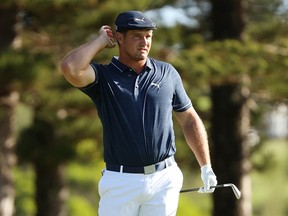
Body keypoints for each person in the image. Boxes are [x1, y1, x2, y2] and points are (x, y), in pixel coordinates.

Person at [60, 10, 217, 216]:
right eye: (136, 36)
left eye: (148, 36)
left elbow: (189, 119)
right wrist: (99, 41)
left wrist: (206, 166)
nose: (144, 42)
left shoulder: (167, 73)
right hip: (120, 181)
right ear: (119, 38)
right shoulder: (103, 77)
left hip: (164, 178)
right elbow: (70, 67)